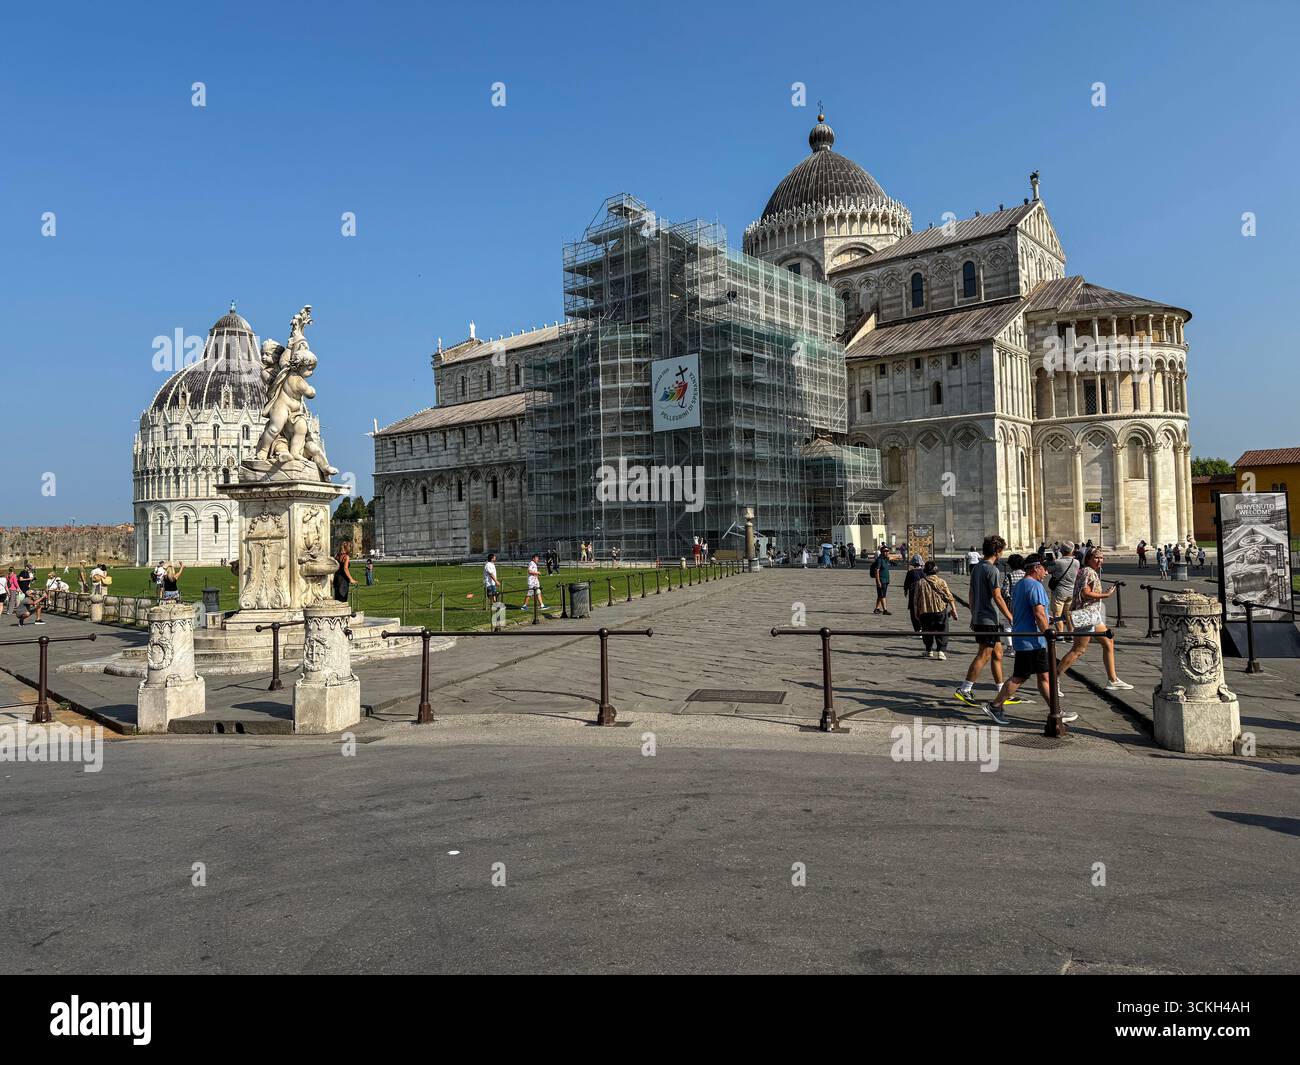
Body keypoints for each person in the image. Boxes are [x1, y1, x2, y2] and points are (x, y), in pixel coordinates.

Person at [981, 554, 1075, 726]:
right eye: (1044, 568)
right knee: (1020, 677)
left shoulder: (1021, 585)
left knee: (1044, 677)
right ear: (1035, 568)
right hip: (1032, 640)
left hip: (1026, 637)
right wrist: (1047, 631)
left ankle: (1056, 711)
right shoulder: (1035, 586)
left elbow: (1033, 612)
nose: (1047, 572)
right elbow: (1038, 614)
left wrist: (1048, 619)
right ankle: (995, 705)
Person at [954, 535, 1022, 708]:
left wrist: (973, 613)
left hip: (982, 616)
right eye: (1002, 551)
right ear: (997, 551)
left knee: (997, 654)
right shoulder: (992, 570)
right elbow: (998, 596)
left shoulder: (977, 568)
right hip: (988, 618)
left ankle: (1002, 692)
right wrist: (1010, 617)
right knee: (984, 654)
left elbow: (971, 592)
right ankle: (965, 688)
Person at [1056, 547, 1133, 692]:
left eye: (1101, 558)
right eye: (1096, 558)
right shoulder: (1088, 572)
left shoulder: (1087, 571)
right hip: (1086, 615)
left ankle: (1113, 679)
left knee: (1108, 641)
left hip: (1093, 615)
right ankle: (1054, 679)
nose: (1100, 560)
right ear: (1088, 559)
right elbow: (1085, 594)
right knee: (1078, 650)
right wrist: (1105, 595)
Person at [914, 560, 959, 660]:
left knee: (926, 631)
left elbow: (916, 599)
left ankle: (929, 650)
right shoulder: (941, 581)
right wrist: (954, 610)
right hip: (940, 609)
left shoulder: (920, 582)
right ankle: (941, 651)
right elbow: (949, 596)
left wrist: (916, 612)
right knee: (942, 629)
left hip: (925, 610)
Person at [903, 554, 925, 641]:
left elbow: (906, 583)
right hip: (923, 594)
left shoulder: (910, 572)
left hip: (913, 595)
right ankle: (923, 628)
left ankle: (918, 629)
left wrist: (905, 591)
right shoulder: (924, 572)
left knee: (913, 612)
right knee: (923, 611)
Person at [869, 545, 892, 615]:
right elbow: (877, 570)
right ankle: (885, 610)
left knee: (880, 595)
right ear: (881, 552)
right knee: (882, 595)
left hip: (886, 580)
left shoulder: (885, 559)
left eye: (887, 551)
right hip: (881, 580)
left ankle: (877, 609)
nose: (886, 552)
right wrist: (878, 581)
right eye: (885, 551)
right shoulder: (879, 559)